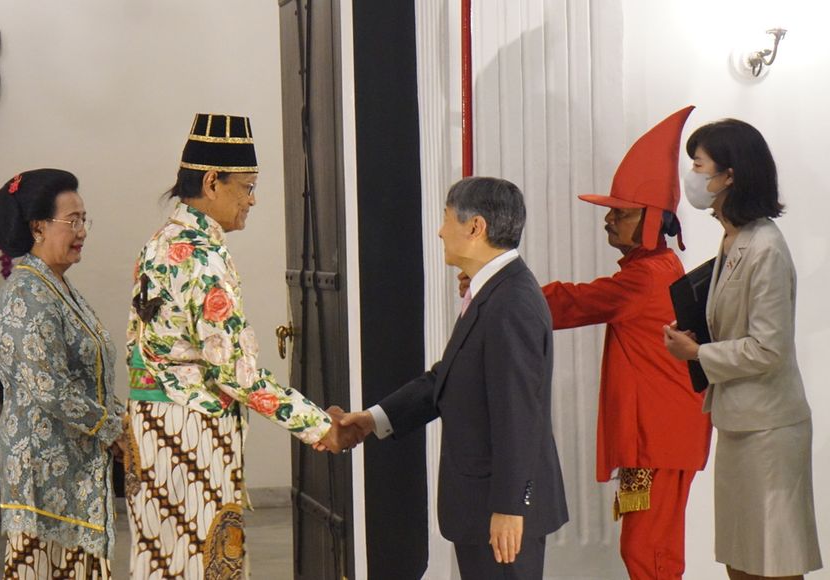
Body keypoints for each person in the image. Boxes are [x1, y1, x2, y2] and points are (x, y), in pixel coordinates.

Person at [124, 113, 354, 578]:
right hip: (191, 433)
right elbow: (234, 373)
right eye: (246, 186)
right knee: (204, 562)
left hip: (152, 427)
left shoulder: (161, 241)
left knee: (160, 560)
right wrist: (317, 424)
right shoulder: (203, 256)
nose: (253, 198)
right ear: (212, 182)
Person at [335, 177, 568, 579]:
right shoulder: (492, 292)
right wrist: (374, 418)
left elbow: (519, 415)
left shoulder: (511, 302)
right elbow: (448, 377)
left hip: (502, 511)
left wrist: (510, 506)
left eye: (446, 219)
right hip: (483, 506)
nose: (441, 231)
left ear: (475, 227)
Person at [519, 107, 712, 579]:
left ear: (649, 221)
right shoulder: (655, 271)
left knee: (649, 554)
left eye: (619, 213)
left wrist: (502, 289)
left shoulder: (645, 278)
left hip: (658, 438)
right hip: (660, 437)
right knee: (649, 550)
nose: (608, 220)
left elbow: (573, 303)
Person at [665, 119, 822, 580]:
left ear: (729, 175)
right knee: (742, 559)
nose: (691, 176)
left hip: (769, 429)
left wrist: (698, 356)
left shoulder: (765, 246)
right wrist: (697, 335)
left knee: (773, 560)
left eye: (698, 165)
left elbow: (767, 349)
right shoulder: (734, 236)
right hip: (739, 421)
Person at [0, 169, 126, 579]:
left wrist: (121, 419)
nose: (82, 230)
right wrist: (114, 429)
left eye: (85, 219)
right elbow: (50, 388)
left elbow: (89, 376)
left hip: (74, 466)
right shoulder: (27, 294)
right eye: (73, 221)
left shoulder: (58, 285)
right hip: (43, 476)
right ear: (38, 227)